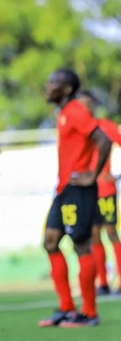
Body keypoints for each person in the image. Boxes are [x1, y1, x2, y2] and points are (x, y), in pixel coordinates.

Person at [39, 70, 111, 327]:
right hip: (64, 189)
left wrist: (92, 175)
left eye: (54, 82)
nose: (48, 87)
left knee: (81, 244)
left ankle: (89, 313)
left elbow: (104, 140)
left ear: (67, 89)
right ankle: (66, 308)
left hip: (79, 188)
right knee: (50, 242)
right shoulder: (64, 113)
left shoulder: (76, 110)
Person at [78, 90, 121, 295]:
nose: (84, 107)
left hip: (105, 189)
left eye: (87, 103)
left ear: (93, 105)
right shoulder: (76, 128)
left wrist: (117, 175)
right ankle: (102, 282)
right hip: (87, 191)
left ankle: (120, 279)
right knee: (93, 235)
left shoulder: (106, 126)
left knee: (111, 231)